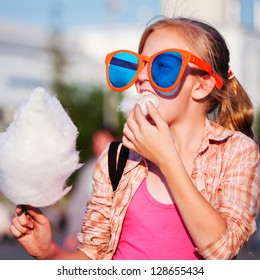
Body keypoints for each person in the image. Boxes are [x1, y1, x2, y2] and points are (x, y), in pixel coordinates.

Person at [10, 16, 260, 260]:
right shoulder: (116, 159)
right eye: (139, 66)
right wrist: (49, 253)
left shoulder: (237, 151)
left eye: (162, 67)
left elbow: (222, 250)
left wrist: (167, 160)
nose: (140, 78)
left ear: (202, 85)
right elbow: (93, 258)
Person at [62, 126, 116, 250]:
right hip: (89, 237)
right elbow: (78, 203)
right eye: (96, 141)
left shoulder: (126, 167)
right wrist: (72, 232)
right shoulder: (87, 171)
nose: (98, 145)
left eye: (103, 140)